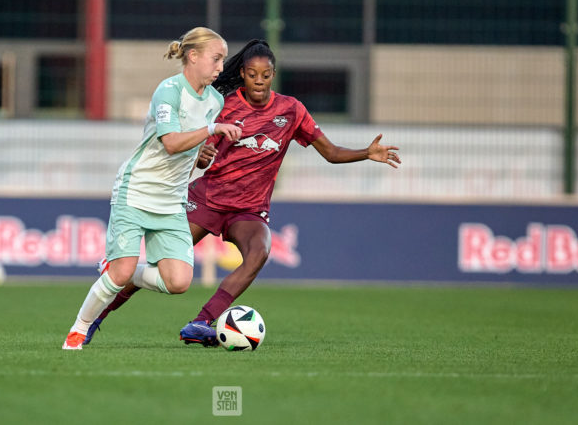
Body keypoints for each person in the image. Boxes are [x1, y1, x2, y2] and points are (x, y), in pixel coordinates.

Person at [83, 39, 401, 347]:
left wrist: (366, 153)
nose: (258, 81)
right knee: (159, 271)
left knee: (259, 252)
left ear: (273, 75)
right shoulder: (223, 105)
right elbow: (195, 144)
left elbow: (330, 152)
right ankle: (96, 318)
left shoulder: (291, 110)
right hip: (206, 198)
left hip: (248, 210)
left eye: (265, 75)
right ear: (244, 74)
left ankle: (201, 322)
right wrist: (201, 155)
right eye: (252, 75)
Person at [62, 27, 242, 350]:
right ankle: (79, 328)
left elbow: (189, 154)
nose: (220, 67)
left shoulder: (215, 100)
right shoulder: (168, 91)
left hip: (171, 200)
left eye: (223, 60)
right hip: (137, 191)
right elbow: (172, 143)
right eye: (216, 59)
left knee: (179, 281)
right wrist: (211, 130)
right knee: (118, 275)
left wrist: (202, 156)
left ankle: (122, 270)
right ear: (193, 56)